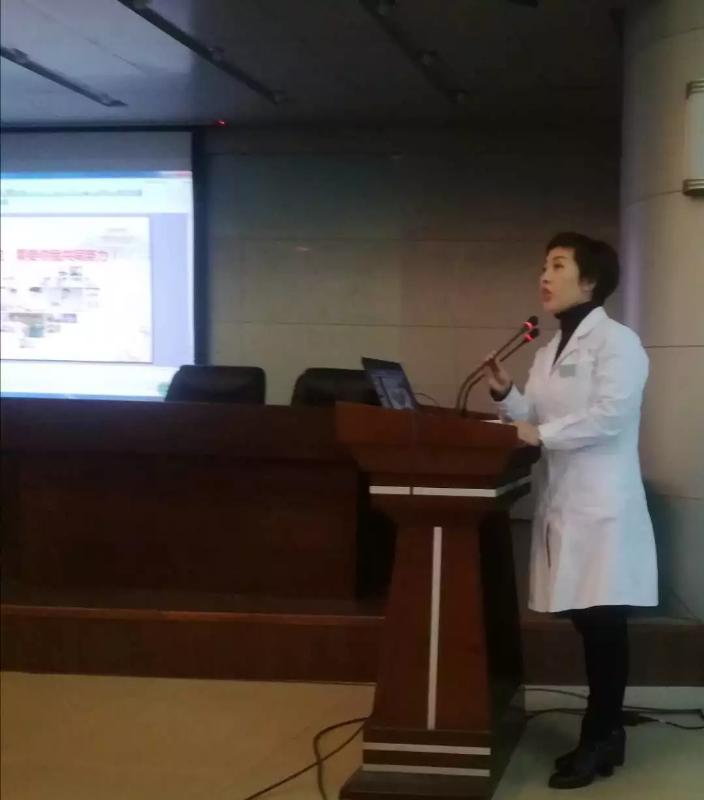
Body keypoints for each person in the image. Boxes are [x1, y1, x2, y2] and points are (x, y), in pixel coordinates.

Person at [483, 232, 658, 790]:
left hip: (603, 506)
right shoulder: (547, 350)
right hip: (564, 501)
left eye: (557, 265)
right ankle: (606, 730)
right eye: (544, 265)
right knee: (588, 622)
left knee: (603, 623)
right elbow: (532, 416)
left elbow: (611, 416)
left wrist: (540, 432)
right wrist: (506, 394)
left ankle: (601, 735)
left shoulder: (619, 342)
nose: (545, 275)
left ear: (590, 280)